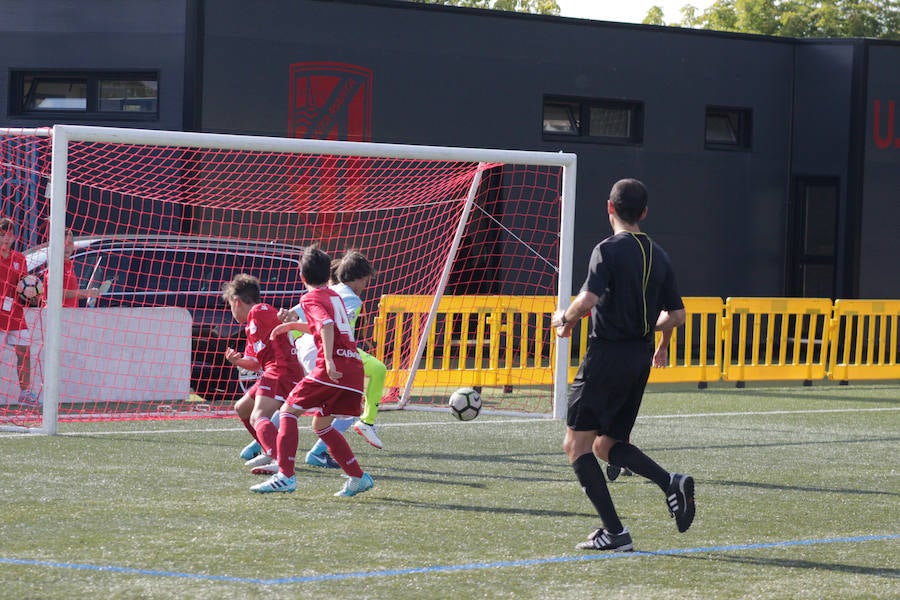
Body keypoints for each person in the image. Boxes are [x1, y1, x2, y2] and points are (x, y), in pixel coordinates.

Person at [550, 178, 694, 552]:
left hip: (607, 357)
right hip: (638, 359)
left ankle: (615, 533)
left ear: (609, 208)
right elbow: (677, 315)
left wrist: (565, 318)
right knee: (605, 445)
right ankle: (670, 482)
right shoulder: (659, 254)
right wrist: (649, 330)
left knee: (575, 445)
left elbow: (587, 299)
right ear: (644, 213)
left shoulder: (607, 249)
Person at [251, 245, 374, 497]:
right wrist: (295, 326)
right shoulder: (334, 296)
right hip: (352, 369)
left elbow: (327, 326)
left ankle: (285, 475)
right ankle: (358, 477)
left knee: (288, 411)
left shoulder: (309, 298)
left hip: (334, 368)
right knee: (321, 425)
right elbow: (328, 327)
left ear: (302, 276)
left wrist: (328, 360)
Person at [221, 274, 302, 475]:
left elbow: (283, 321)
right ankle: (270, 450)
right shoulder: (251, 325)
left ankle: (278, 458)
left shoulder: (260, 311)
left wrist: (290, 318)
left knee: (258, 416)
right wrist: (236, 361)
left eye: (230, 305)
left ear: (236, 302)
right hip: (274, 370)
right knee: (242, 408)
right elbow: (255, 363)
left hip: (282, 370)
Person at [605, 328, 672, 481]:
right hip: (628, 359)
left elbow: (673, 314)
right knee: (616, 414)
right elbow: (673, 315)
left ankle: (617, 454)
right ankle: (618, 454)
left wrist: (566, 319)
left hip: (620, 360)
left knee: (611, 414)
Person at [0, 218, 38, 406]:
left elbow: (25, 284)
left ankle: (25, 392)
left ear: (14, 237)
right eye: (2, 235)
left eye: (9, 235)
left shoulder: (19, 258)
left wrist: (32, 291)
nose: (5, 239)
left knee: (24, 352)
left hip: (15, 312)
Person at [43, 228, 100, 308]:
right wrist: (84, 293)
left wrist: (89, 293)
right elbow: (55, 293)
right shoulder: (55, 265)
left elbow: (71, 293)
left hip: (70, 314)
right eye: (63, 244)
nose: (66, 247)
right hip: (57, 316)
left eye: (69, 243)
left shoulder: (69, 264)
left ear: (73, 245)